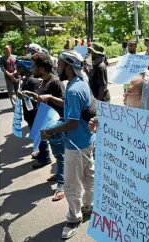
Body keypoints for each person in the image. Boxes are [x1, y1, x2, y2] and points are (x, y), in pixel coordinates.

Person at [89, 70, 149, 242]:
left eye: (130, 90)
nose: (125, 94)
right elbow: (109, 162)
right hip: (131, 207)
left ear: (148, 97)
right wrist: (102, 136)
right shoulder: (127, 122)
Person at [40, 50, 95, 239]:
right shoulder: (81, 83)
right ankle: (89, 207)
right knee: (89, 180)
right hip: (88, 141)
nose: (58, 67)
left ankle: (74, 219)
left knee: (71, 185)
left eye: (61, 65)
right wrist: (50, 98)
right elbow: (73, 107)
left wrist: (49, 131)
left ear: (69, 68)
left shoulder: (72, 89)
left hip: (75, 145)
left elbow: (71, 121)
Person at [23, 52, 66, 201]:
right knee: (57, 153)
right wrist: (30, 95)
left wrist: (50, 97)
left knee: (61, 155)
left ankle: (62, 184)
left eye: (33, 67)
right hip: (47, 123)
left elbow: (65, 103)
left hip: (57, 124)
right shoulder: (42, 81)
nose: (31, 69)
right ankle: (61, 173)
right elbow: (41, 100)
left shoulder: (55, 82)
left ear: (41, 69)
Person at [15, 57, 40, 130]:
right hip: (29, 115)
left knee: (39, 138)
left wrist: (23, 96)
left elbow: (38, 100)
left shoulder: (33, 81)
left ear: (25, 67)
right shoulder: (25, 79)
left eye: (19, 67)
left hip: (34, 116)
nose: (17, 69)